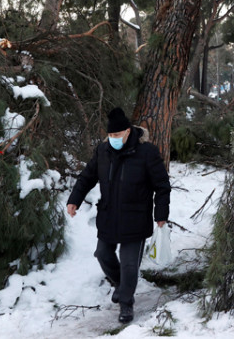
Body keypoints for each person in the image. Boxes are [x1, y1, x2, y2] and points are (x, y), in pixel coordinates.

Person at [66, 107, 171, 324]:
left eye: (117, 135)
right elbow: (87, 177)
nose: (113, 139)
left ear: (128, 131)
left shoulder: (146, 152)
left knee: (130, 264)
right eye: (110, 135)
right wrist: (74, 199)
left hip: (136, 217)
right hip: (109, 216)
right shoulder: (103, 151)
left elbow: (162, 185)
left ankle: (126, 303)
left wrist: (161, 213)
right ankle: (120, 285)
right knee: (102, 254)